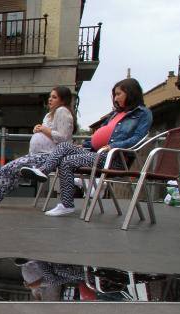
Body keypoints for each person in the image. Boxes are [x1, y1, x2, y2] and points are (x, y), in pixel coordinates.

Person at [21, 78, 153, 216]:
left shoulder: (143, 113)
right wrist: (84, 145)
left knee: (67, 161)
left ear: (130, 93)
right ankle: (43, 172)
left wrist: (113, 146)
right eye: (114, 94)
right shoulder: (115, 114)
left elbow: (137, 139)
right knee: (66, 146)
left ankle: (65, 204)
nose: (115, 98)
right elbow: (102, 134)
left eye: (119, 94)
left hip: (114, 158)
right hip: (97, 153)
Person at [0, 86, 77, 208]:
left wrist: (43, 129)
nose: (50, 99)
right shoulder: (49, 115)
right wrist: (38, 129)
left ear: (63, 101)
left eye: (54, 97)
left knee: (10, 167)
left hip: (51, 157)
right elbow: (48, 132)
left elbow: (63, 138)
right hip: (39, 155)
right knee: (9, 168)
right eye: (50, 96)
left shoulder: (62, 111)